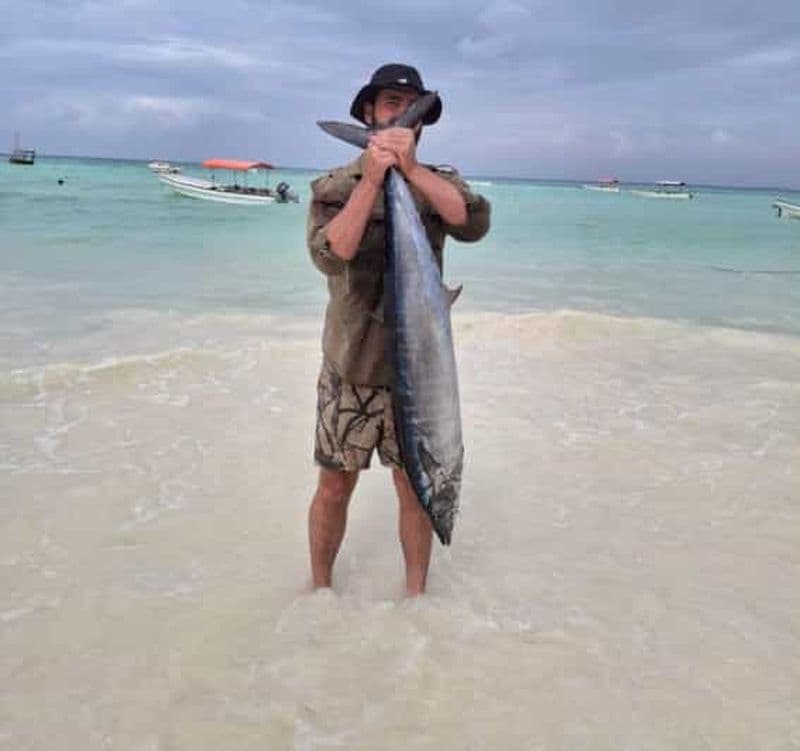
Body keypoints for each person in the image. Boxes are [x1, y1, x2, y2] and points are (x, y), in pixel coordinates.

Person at [306, 63, 491, 596]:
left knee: (414, 487)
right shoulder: (333, 188)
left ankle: (416, 599)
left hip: (421, 371)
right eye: (389, 102)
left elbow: (473, 222)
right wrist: (373, 176)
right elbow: (330, 255)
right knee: (334, 484)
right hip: (353, 365)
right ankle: (319, 591)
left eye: (408, 107)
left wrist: (409, 171)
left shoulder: (438, 182)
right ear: (368, 112)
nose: (397, 113)